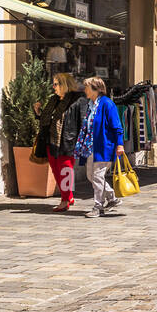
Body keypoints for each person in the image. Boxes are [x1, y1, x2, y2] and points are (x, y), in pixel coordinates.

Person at [33, 73, 86, 213]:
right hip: (51, 140)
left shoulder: (78, 100)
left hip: (68, 140)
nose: (53, 87)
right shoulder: (54, 100)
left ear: (64, 85)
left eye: (56, 84)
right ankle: (68, 196)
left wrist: (81, 141)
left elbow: (83, 121)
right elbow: (50, 119)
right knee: (56, 170)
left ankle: (65, 200)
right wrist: (39, 113)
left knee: (65, 171)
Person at [76, 76, 124, 218]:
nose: (84, 90)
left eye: (87, 87)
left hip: (104, 147)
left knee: (97, 177)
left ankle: (98, 206)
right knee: (91, 176)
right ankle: (112, 198)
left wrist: (120, 144)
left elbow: (117, 126)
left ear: (95, 89)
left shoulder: (107, 104)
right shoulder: (91, 104)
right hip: (91, 147)